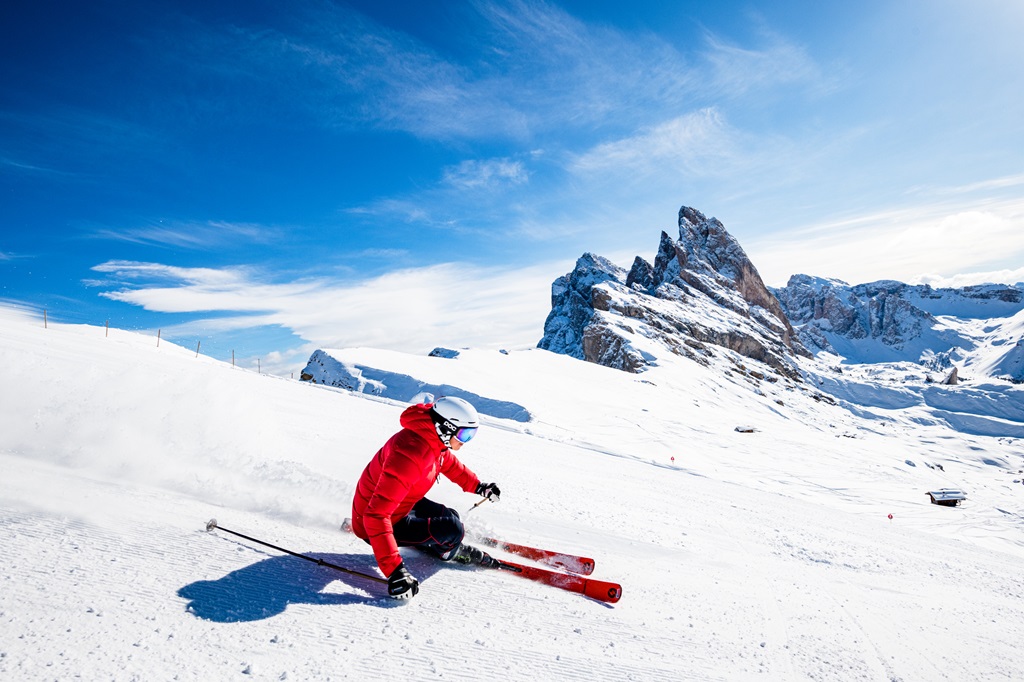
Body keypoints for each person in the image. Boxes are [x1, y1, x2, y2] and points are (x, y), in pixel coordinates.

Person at [350, 395, 502, 600]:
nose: (465, 442)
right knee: (453, 530)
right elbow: (375, 515)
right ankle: (448, 553)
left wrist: (479, 487)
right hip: (372, 522)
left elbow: (448, 464)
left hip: (403, 504)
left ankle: (438, 541)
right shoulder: (409, 455)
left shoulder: (430, 437)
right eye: (465, 434)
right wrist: (396, 573)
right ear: (446, 427)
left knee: (451, 517)